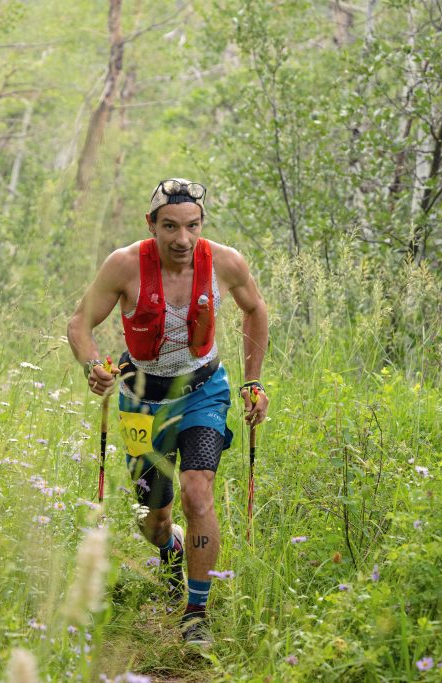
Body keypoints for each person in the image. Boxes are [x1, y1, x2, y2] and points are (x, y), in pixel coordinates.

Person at [66, 178, 269, 647]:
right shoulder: (123, 265)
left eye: (193, 226)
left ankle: (196, 614)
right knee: (152, 521)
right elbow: (80, 323)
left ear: (202, 225)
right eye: (171, 227)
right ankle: (170, 549)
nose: (183, 239)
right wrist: (93, 366)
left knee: (198, 494)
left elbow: (255, 310)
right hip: (141, 397)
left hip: (204, 391)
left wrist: (253, 380)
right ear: (151, 225)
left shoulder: (225, 262)